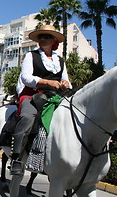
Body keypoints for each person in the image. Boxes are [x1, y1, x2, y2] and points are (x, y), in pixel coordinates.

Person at [10, 25, 72, 175]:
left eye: (47, 36)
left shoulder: (60, 61)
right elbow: (26, 77)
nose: (43, 39)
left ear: (54, 41)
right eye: (41, 36)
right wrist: (46, 82)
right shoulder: (31, 56)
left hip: (55, 97)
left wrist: (65, 84)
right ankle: (16, 158)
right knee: (27, 117)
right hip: (33, 94)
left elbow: (67, 81)